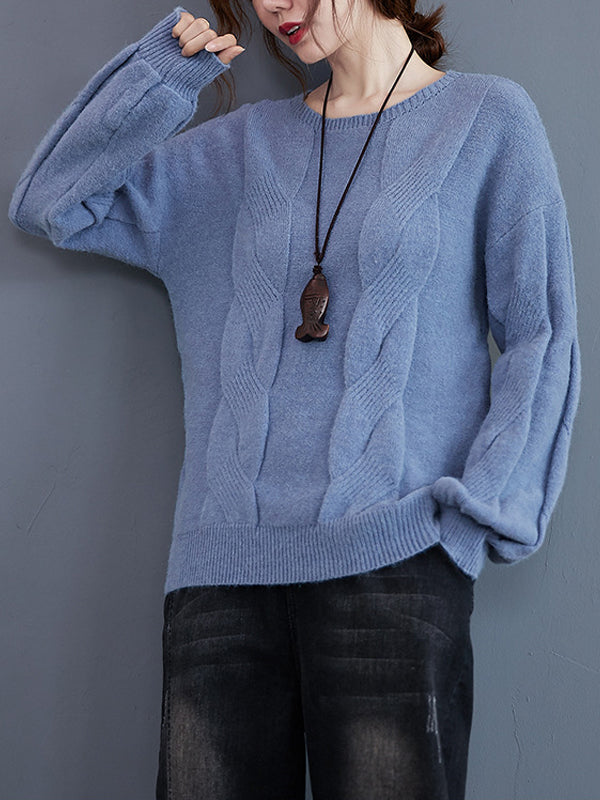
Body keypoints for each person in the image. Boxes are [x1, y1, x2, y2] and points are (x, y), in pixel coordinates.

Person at [8, 1, 582, 798]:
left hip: (395, 563)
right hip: (220, 577)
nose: (273, 3)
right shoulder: (233, 152)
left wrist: (485, 509)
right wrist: (162, 76)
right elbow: (52, 202)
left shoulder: (487, 120)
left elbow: (541, 333)